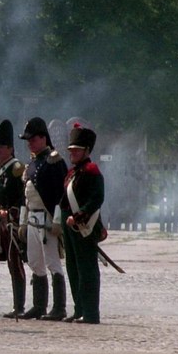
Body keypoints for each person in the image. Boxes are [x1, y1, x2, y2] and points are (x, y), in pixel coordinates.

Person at [17, 117, 68, 321]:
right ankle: (39, 305)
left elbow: (60, 195)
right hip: (32, 219)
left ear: (43, 138)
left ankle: (59, 307)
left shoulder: (54, 161)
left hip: (47, 220)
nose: (30, 143)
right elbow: (25, 197)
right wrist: (22, 222)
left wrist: (57, 221)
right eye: (28, 140)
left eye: (33, 139)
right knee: (35, 262)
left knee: (53, 263)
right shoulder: (32, 162)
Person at [60, 124, 104, 324]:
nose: (73, 153)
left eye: (77, 150)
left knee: (87, 269)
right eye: (71, 150)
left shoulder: (91, 171)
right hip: (70, 227)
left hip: (84, 226)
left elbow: (96, 199)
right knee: (73, 268)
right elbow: (64, 201)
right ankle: (79, 309)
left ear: (87, 151)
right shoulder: (73, 173)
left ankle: (90, 312)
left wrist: (78, 218)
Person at [0, 120, 27, 319]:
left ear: (10, 148)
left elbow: (21, 198)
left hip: (9, 222)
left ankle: (19, 306)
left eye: (1, 147)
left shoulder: (17, 169)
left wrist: (10, 213)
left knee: (14, 262)